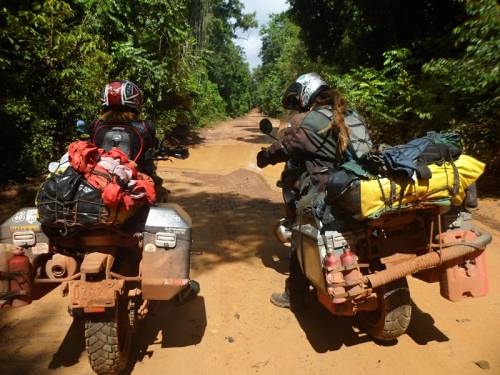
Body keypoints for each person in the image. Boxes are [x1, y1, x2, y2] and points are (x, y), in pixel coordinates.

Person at [256, 72, 372, 310]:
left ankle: (295, 296)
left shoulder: (311, 121)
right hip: (358, 184)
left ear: (307, 93)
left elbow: (285, 147)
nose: (298, 104)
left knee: (300, 229)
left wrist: (264, 156)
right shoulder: (348, 115)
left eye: (298, 99)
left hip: (327, 190)